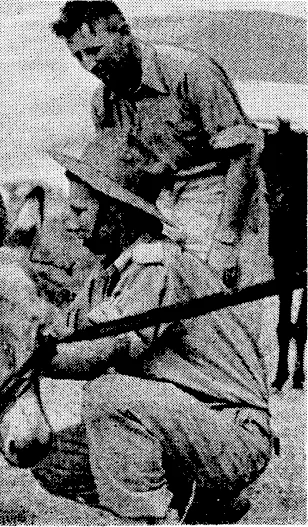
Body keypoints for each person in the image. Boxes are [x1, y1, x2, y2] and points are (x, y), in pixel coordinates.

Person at [32, 131, 274, 524]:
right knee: (52, 458)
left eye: (80, 211)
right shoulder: (108, 274)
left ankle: (157, 518)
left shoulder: (155, 264)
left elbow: (102, 351)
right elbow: (65, 328)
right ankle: (200, 503)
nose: (71, 224)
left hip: (232, 434)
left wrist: (31, 357)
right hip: (185, 425)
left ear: (116, 213)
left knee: (108, 394)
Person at [51, 0, 270, 289]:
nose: (89, 65)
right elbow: (117, 183)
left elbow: (245, 153)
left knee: (220, 289)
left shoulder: (191, 72)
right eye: (78, 56)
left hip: (222, 193)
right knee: (150, 285)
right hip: (162, 201)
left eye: (94, 50)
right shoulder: (103, 103)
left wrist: (226, 239)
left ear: (124, 33)